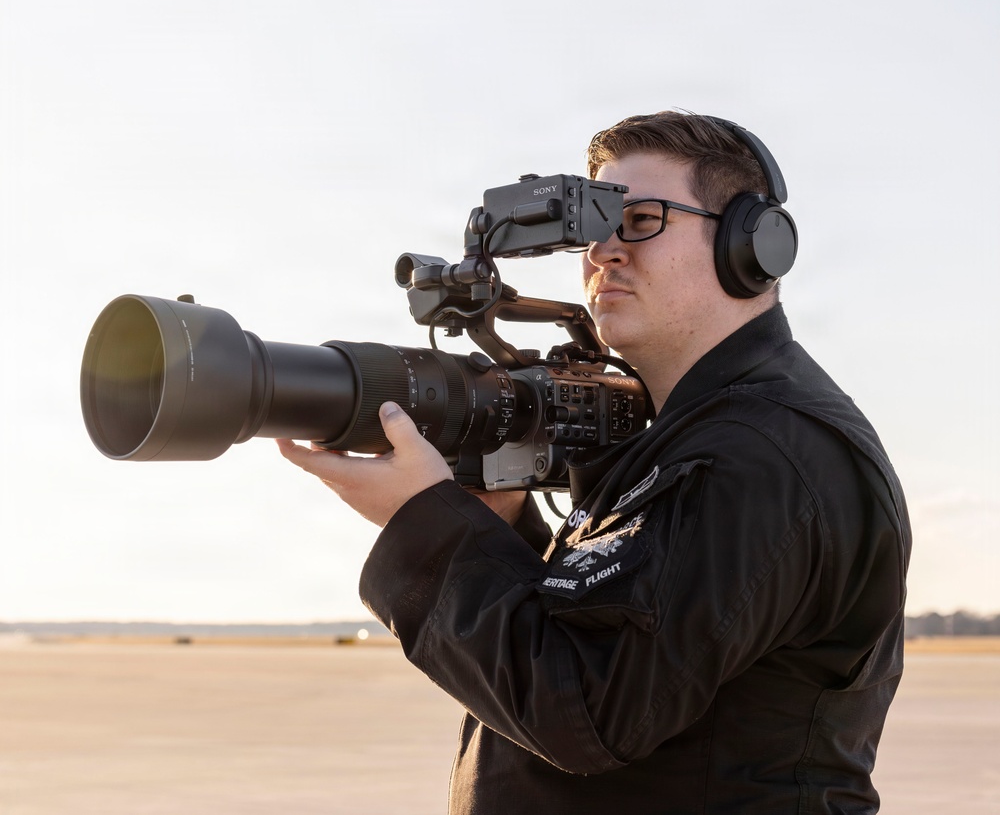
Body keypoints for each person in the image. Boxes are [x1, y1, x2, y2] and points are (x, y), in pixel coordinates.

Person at [278, 111, 910, 814]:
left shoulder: (764, 455)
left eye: (641, 219)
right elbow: (588, 640)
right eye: (598, 223)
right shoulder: (688, 437)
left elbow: (589, 718)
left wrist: (426, 526)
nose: (604, 251)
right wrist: (495, 528)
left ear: (752, 244)